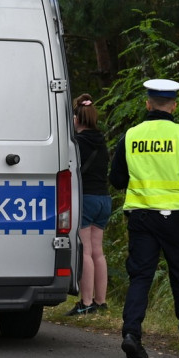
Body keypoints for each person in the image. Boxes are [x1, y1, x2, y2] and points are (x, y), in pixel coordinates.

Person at [109, 79, 179, 358]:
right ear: (174, 105)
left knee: (140, 277)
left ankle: (131, 334)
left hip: (140, 216)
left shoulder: (130, 135)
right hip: (176, 218)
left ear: (147, 104)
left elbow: (117, 179)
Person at [66, 93, 111, 316]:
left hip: (87, 199)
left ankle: (86, 303)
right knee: (98, 252)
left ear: (76, 118)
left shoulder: (77, 144)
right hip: (104, 199)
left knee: (84, 251)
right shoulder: (102, 142)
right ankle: (101, 302)